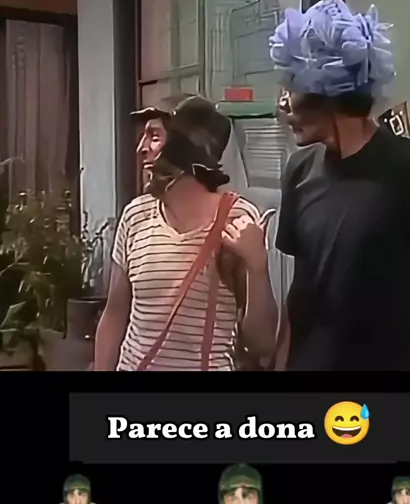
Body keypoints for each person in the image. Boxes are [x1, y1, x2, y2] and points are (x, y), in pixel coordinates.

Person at [270, 0, 410, 371]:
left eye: (292, 87)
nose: (284, 105)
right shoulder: (298, 170)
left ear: (327, 90)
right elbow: (299, 294)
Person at [95, 95, 279, 371]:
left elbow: (261, 344)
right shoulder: (136, 215)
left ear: (185, 148)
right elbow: (114, 314)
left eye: (154, 137)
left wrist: (257, 266)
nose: (141, 148)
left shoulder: (236, 219)